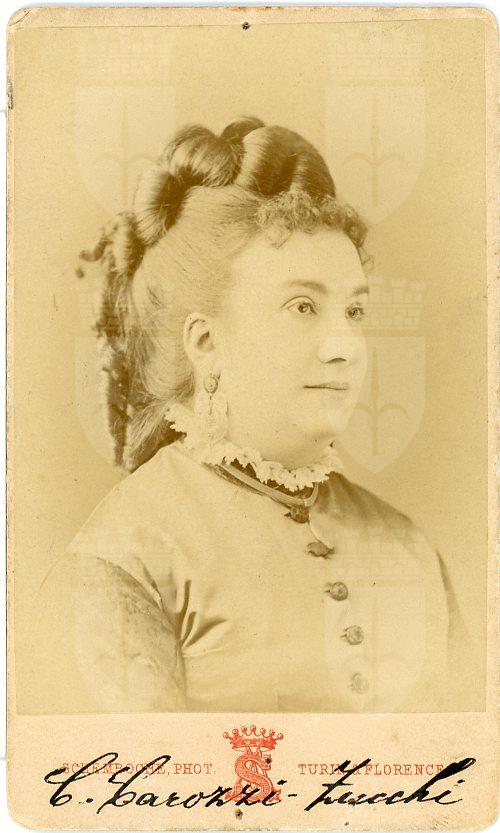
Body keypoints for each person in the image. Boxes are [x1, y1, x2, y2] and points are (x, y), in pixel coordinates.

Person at [39, 117, 467, 714]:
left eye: (354, 312)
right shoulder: (124, 556)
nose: (345, 346)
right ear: (206, 342)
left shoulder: (406, 547)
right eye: (303, 307)